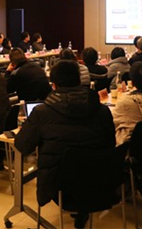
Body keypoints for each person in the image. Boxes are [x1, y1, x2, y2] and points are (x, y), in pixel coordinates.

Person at [14, 60, 115, 229]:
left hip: (58, 184)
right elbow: (110, 144)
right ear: (79, 81)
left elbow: (23, 146)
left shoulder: (42, 112)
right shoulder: (103, 110)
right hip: (98, 179)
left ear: (53, 85)